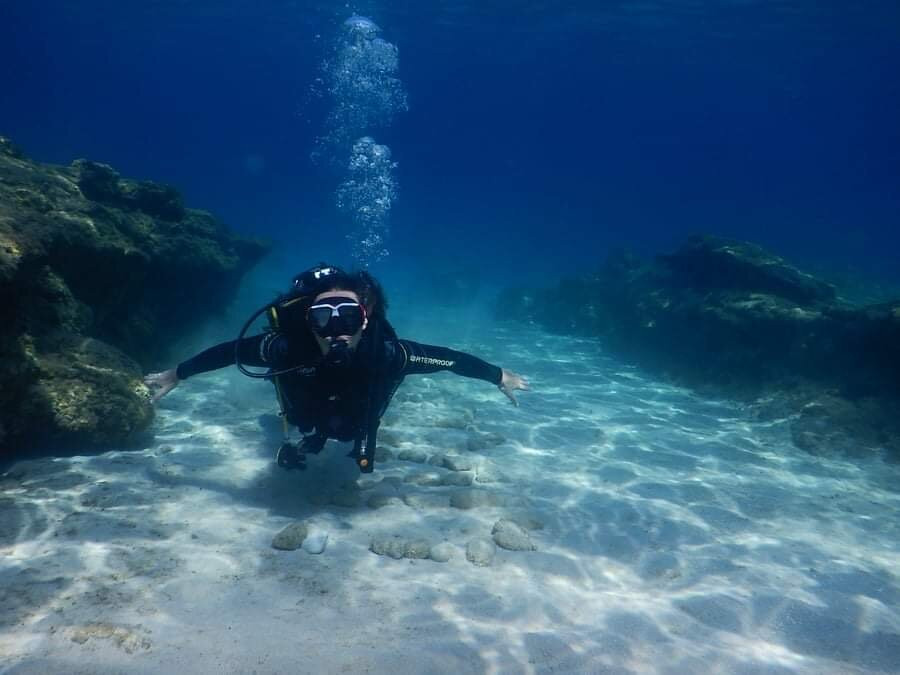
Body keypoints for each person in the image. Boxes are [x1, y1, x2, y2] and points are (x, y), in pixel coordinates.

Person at [144, 263, 528, 473]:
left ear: (366, 318)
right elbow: (231, 351)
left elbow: (450, 359)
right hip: (305, 414)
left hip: (358, 420)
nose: (336, 329)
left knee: (348, 428)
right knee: (309, 426)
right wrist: (176, 374)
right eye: (323, 317)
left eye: (347, 316)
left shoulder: (388, 354)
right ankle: (311, 438)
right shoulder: (287, 348)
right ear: (308, 321)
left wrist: (499, 376)